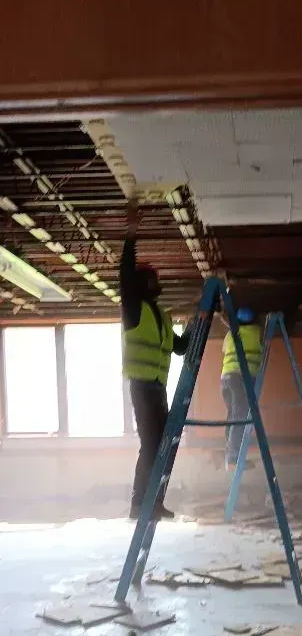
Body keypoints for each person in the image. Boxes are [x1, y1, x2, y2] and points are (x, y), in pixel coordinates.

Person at [120, 202, 190, 520]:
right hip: (142, 387)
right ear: (139, 284)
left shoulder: (161, 315)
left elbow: (180, 348)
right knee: (150, 444)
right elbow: (124, 272)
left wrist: (198, 322)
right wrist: (131, 234)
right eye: (148, 278)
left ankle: (155, 502)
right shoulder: (133, 309)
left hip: (158, 388)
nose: (154, 281)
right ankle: (139, 503)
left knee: (164, 446)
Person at [221, 306, 262, 468]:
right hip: (241, 379)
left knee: (232, 415)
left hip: (226, 379)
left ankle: (230, 453)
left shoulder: (230, 334)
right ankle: (233, 457)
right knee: (240, 416)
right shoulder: (257, 332)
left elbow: (224, 351)